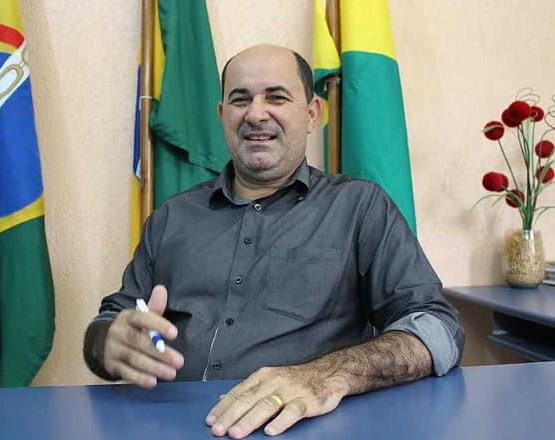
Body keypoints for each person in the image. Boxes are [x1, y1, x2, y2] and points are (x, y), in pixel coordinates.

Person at [83, 44, 464, 438]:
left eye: (277, 97)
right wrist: (108, 342)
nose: (256, 114)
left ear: (312, 114)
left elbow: (438, 328)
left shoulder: (360, 207)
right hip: (170, 428)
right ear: (222, 115)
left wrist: (326, 375)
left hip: (300, 430)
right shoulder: (172, 216)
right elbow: (112, 320)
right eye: (240, 100)